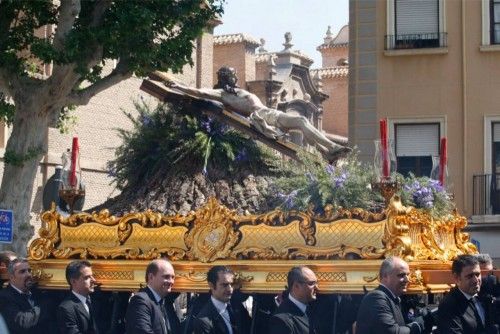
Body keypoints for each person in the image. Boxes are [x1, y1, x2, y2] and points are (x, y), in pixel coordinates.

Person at [166, 66, 351, 161]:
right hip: (265, 116)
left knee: (301, 122)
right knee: (302, 120)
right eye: (232, 75)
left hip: (269, 113)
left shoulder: (234, 91)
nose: (236, 77)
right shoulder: (223, 93)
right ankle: (330, 149)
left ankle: (327, 151)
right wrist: (180, 87)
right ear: (225, 78)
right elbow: (200, 92)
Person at [355, 257, 424, 334]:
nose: (407, 279)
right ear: (385, 276)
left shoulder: (392, 298)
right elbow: (392, 332)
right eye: (401, 275)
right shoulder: (376, 298)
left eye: (408, 275)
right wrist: (416, 325)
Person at [437, 254, 499, 334]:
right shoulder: (449, 305)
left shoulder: (486, 287)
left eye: (477, 274)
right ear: (457, 278)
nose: (476, 280)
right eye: (470, 276)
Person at [125, 258, 180, 334]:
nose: (171, 281)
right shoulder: (140, 301)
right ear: (151, 277)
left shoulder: (162, 303)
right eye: (166, 277)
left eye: (173, 277)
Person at [0, 257, 53, 334]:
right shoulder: (4, 297)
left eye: (29, 270)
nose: (28, 274)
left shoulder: (37, 293)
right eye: (22, 272)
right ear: (11, 277)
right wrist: (44, 306)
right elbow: (22, 322)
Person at [193, 265, 250, 334]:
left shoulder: (237, 307)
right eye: (224, 285)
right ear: (211, 285)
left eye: (231, 284)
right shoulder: (204, 322)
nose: (230, 289)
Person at [268, 266, 319, 334]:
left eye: (316, 283)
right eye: (311, 283)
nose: (317, 287)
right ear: (296, 286)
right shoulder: (282, 320)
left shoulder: (312, 310)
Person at [57, 260, 99, 334]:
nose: (93, 280)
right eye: (87, 277)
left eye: (92, 276)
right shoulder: (66, 308)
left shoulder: (94, 301)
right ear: (73, 281)